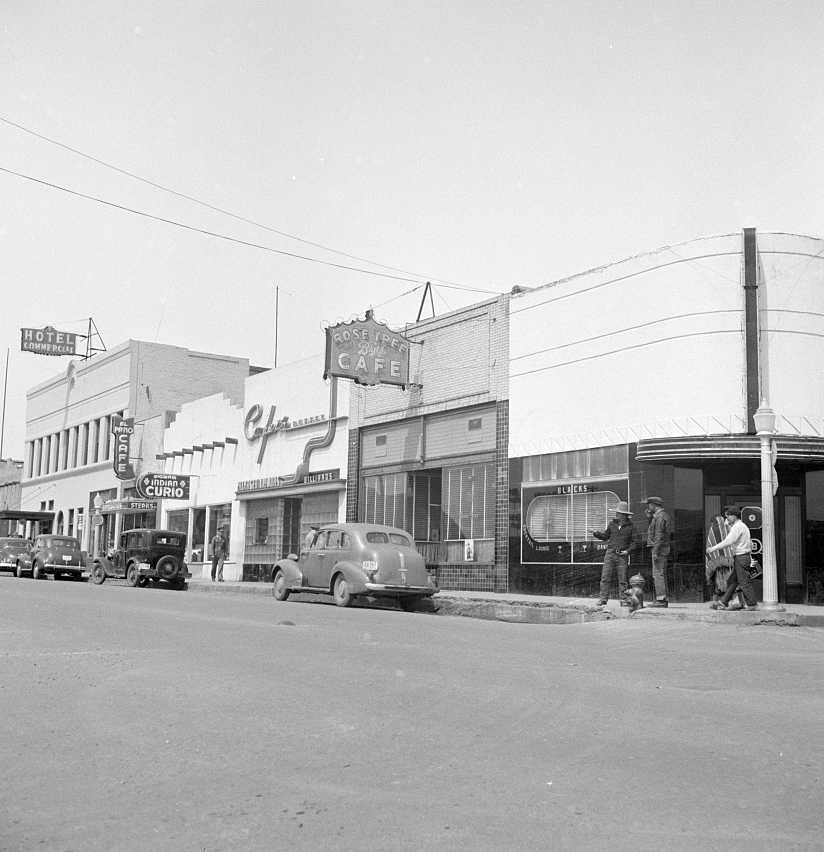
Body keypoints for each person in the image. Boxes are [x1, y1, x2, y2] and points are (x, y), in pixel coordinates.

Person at [706, 505, 758, 610]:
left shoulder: (738, 527)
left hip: (741, 557)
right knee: (732, 581)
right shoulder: (740, 526)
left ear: (734, 516)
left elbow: (728, 541)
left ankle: (752, 604)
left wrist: (712, 549)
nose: (727, 518)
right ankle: (723, 602)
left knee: (744, 582)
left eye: (729, 516)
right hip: (741, 557)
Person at [589, 501, 635, 606]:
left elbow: (634, 542)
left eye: (619, 513)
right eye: (617, 513)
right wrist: (595, 533)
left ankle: (623, 599)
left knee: (623, 578)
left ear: (624, 515)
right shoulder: (612, 524)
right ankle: (603, 599)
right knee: (605, 577)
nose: (617, 514)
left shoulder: (631, 527)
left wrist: (627, 551)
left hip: (622, 555)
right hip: (610, 553)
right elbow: (605, 536)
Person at [643, 496, 672, 607]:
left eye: (649, 505)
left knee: (658, 574)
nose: (648, 507)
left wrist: (655, 551)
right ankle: (663, 598)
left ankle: (661, 600)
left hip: (659, 549)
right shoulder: (662, 516)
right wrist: (650, 517)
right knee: (661, 574)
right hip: (662, 548)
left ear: (654, 505)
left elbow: (659, 535)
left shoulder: (660, 517)